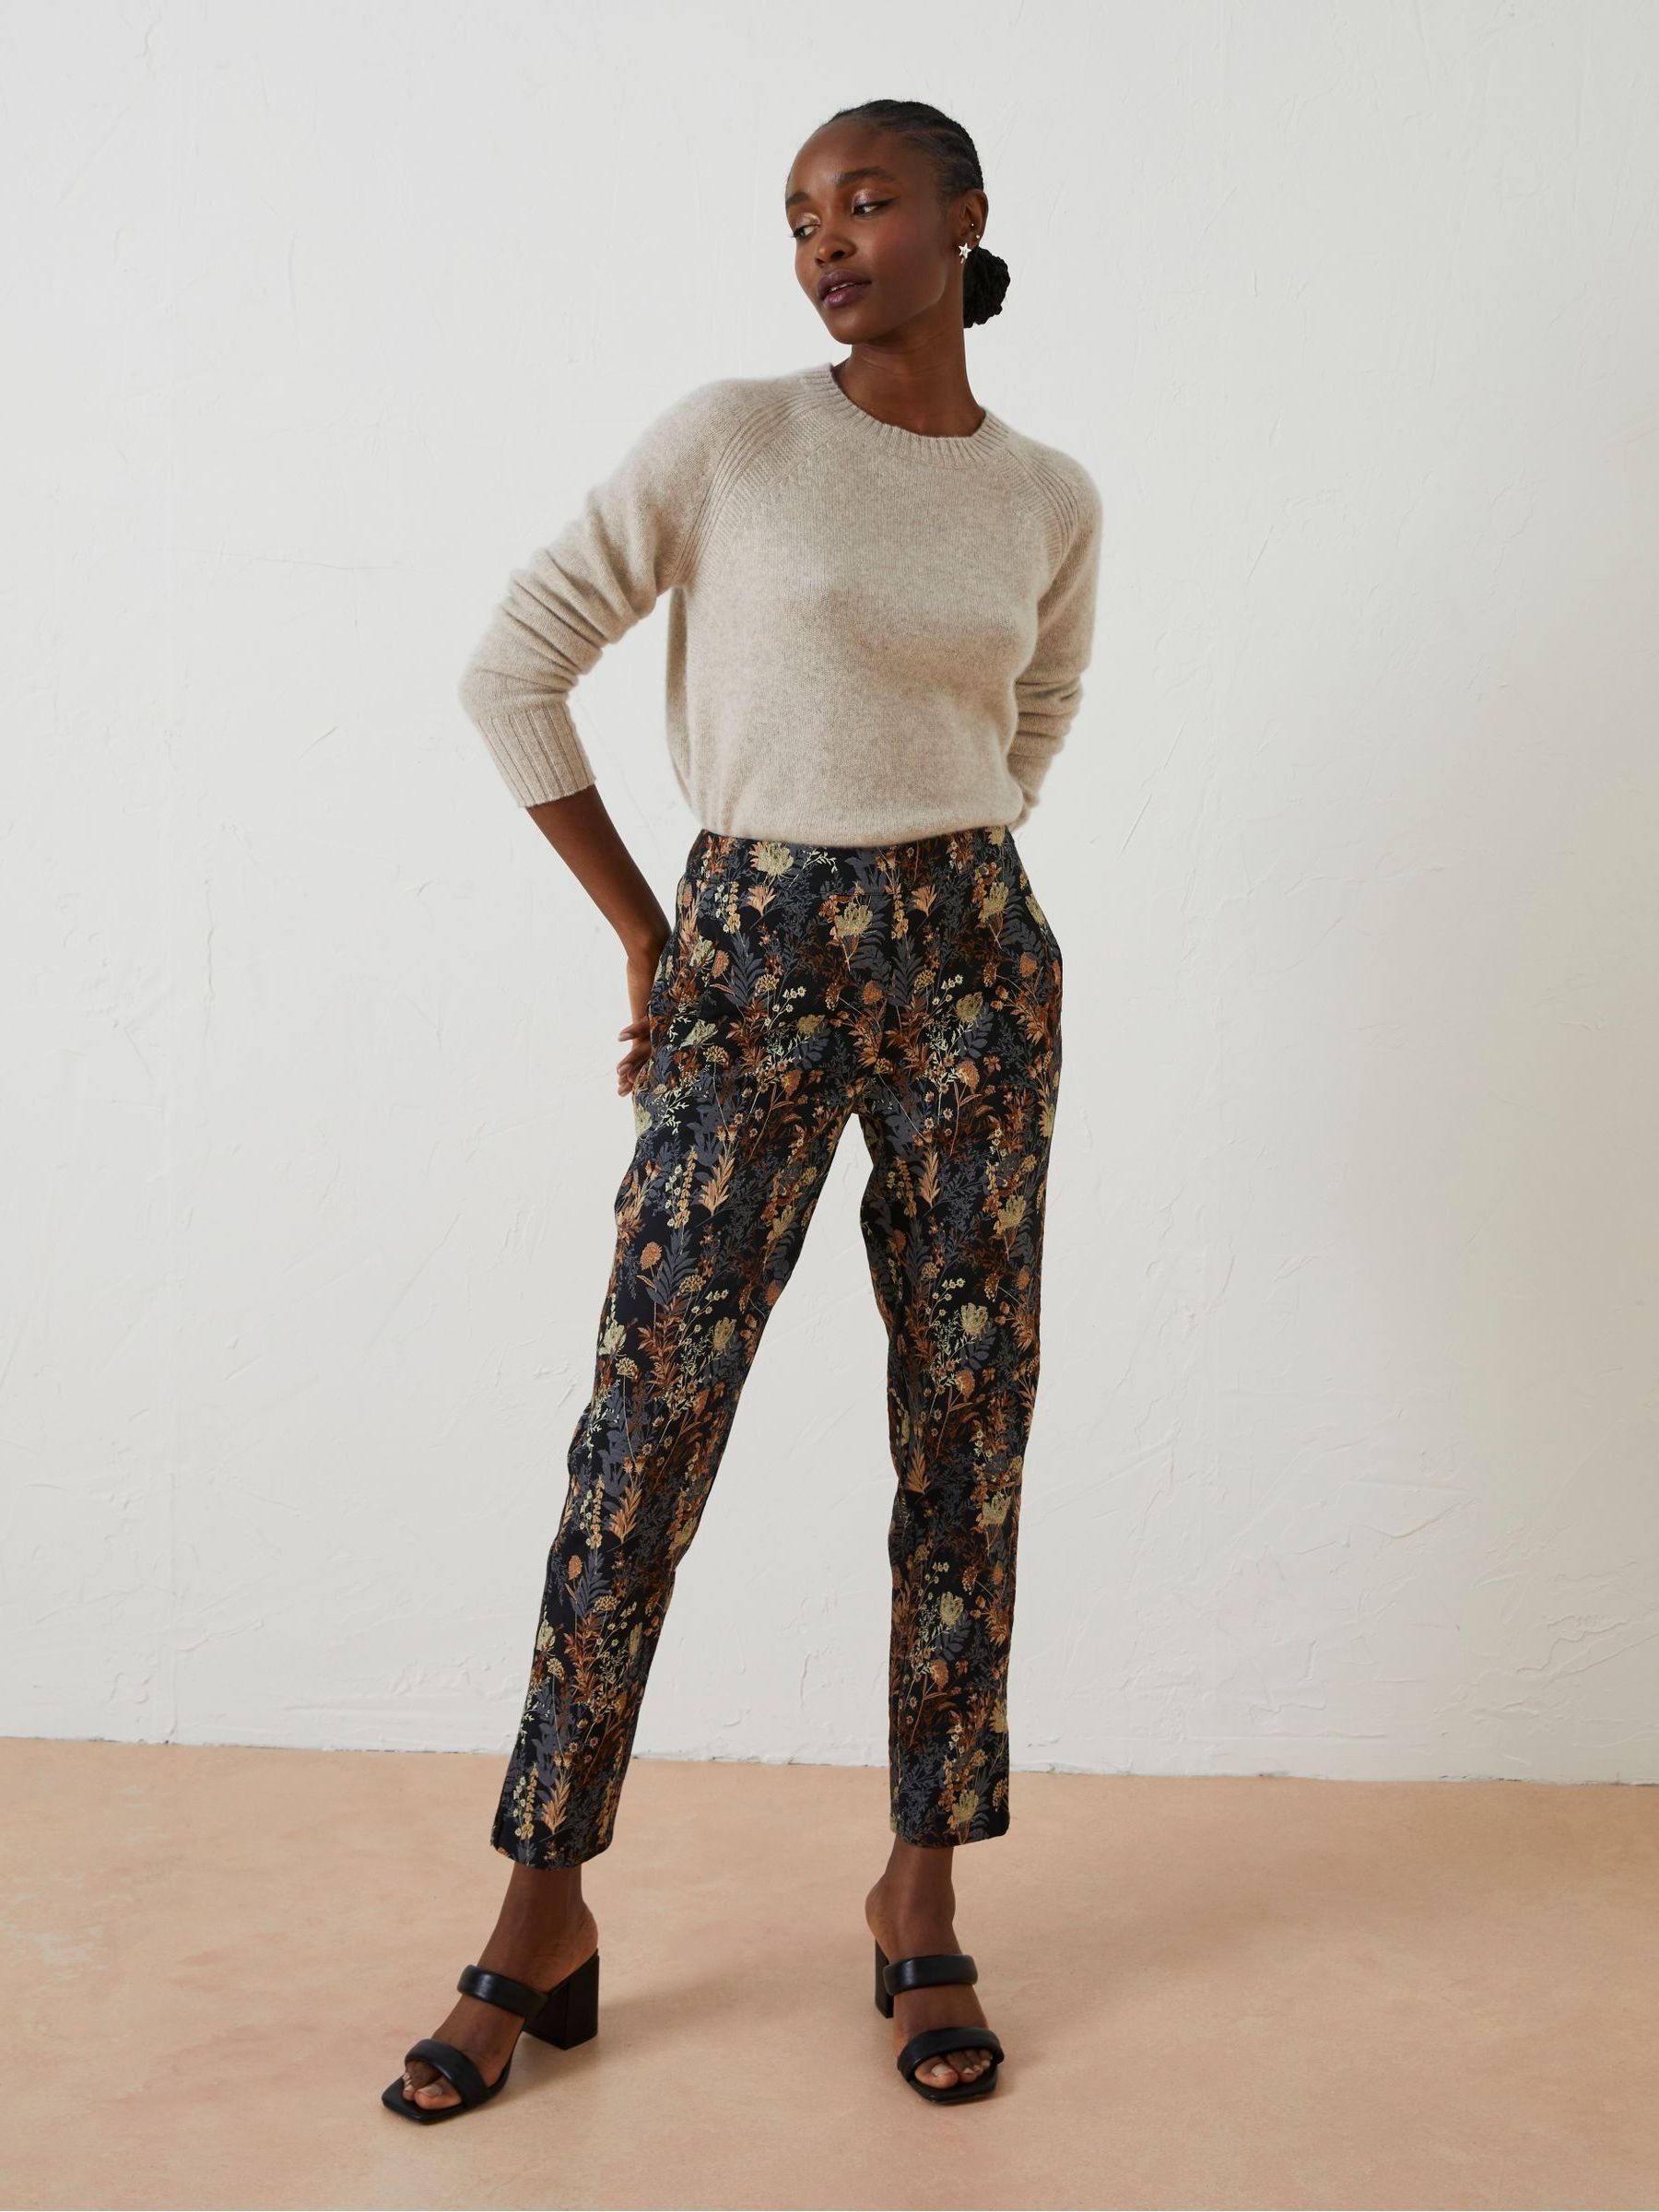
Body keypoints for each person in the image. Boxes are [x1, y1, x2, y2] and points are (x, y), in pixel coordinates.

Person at [382, 95, 1102, 2122]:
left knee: (966, 1425)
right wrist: (652, 927)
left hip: (975, 962)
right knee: (649, 1423)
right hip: (751, 954)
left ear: (965, 217)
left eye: (866, 200)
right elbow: (513, 667)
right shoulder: (733, 440)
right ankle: (541, 1907)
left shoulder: (1049, 494)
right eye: (799, 215)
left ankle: (921, 1892)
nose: (826, 240)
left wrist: (938, 851)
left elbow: (1035, 716)